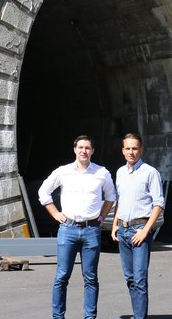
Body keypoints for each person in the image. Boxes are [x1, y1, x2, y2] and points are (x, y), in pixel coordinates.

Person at [38, 135, 116, 319]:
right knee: (62, 276)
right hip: (68, 229)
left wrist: (103, 216)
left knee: (90, 278)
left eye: (87, 148)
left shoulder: (101, 172)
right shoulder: (63, 171)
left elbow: (111, 196)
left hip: (91, 230)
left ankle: (90, 317)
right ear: (74, 149)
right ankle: (58, 317)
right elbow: (43, 192)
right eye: (80, 147)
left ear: (92, 151)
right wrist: (56, 213)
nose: (84, 151)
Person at [110, 133, 165, 319]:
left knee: (140, 279)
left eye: (135, 148)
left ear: (141, 150)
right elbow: (120, 200)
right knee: (130, 279)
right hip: (123, 231)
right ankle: (137, 314)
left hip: (140, 230)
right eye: (128, 148)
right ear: (123, 151)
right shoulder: (120, 172)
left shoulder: (150, 172)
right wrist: (114, 225)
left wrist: (146, 230)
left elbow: (159, 204)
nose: (131, 152)